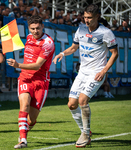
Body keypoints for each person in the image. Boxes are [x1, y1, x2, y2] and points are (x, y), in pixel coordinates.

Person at [53, 4, 118, 148]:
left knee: (82, 100)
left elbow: (115, 53)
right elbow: (74, 47)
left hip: (96, 73)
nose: (86, 20)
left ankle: (86, 134)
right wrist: (62, 53)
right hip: (82, 72)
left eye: (89, 18)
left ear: (97, 17)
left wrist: (103, 71)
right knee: (71, 104)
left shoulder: (105, 32)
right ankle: (85, 131)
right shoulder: (81, 29)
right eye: (85, 17)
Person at [7, 15, 55, 149]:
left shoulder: (48, 43)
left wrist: (18, 65)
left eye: (38, 28)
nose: (35, 31)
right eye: (32, 29)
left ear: (42, 27)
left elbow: (37, 66)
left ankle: (24, 131)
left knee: (32, 120)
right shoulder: (28, 37)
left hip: (41, 81)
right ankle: (23, 140)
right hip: (25, 78)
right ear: (29, 28)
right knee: (24, 106)